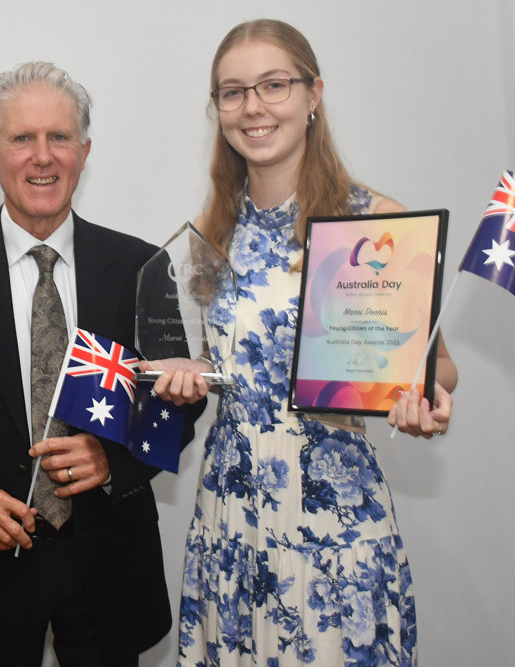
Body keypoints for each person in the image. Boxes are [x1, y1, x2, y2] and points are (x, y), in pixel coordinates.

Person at [139, 19, 458, 666]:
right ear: (218, 109)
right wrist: (190, 371)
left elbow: (438, 365)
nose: (253, 107)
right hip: (231, 511)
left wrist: (425, 396)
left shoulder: (374, 222)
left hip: (332, 518)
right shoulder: (210, 233)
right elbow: (232, 362)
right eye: (233, 92)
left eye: (273, 85)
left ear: (314, 94)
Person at [0, 61, 203, 667]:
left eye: (59, 137)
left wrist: (112, 459)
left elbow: (179, 402)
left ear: (84, 152)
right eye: (22, 138)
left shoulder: (143, 268)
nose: (42, 156)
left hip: (110, 560)